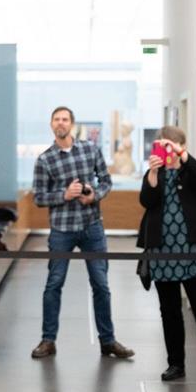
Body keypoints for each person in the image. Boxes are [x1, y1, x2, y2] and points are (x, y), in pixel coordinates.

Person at [31, 106, 134, 360]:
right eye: (56, 119)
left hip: (92, 227)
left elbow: (106, 182)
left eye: (65, 119)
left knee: (101, 284)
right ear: (51, 125)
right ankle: (48, 340)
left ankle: (108, 341)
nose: (61, 123)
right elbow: (39, 197)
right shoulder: (45, 160)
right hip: (61, 230)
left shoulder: (90, 149)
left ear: (72, 125)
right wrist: (63, 195)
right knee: (54, 284)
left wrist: (93, 194)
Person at [137, 126, 196, 383]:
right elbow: (146, 200)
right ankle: (175, 364)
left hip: (194, 250)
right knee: (169, 311)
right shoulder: (153, 173)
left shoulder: (190, 171)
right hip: (162, 250)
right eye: (161, 144)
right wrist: (154, 172)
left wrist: (182, 155)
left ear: (181, 146)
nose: (165, 149)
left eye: (170, 145)